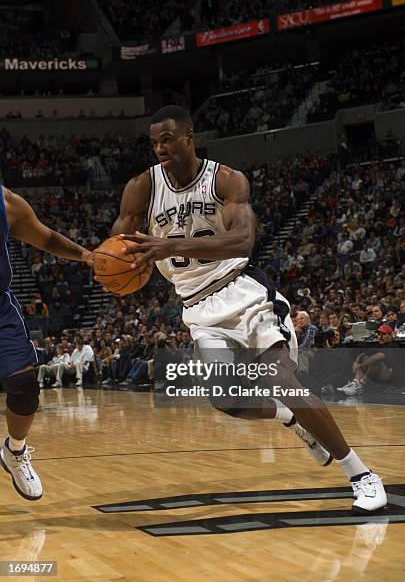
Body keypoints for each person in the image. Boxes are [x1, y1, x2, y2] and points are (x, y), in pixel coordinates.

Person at [95, 105, 386, 512]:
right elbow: (121, 240)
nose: (160, 147)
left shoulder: (226, 179)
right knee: (224, 400)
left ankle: (361, 474)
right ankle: (289, 419)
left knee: (285, 382)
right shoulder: (141, 186)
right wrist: (117, 261)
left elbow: (242, 241)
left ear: (189, 137)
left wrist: (170, 245)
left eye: (167, 139)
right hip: (196, 307)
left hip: (243, 295)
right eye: (154, 142)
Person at [0, 185, 90, 500]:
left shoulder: (6, 201)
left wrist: (85, 255)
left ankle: (15, 451)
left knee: (24, 386)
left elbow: (45, 237)